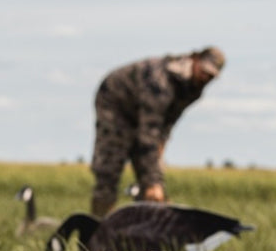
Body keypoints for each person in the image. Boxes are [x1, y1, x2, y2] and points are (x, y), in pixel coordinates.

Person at [89, 46, 226, 216]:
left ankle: (145, 222)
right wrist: (154, 181)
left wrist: (161, 145)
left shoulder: (195, 88)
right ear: (195, 60)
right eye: (204, 71)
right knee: (111, 165)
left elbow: (168, 120)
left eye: (211, 76)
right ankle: (98, 223)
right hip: (117, 103)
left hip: (149, 117)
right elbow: (148, 134)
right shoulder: (161, 80)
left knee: (151, 166)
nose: (206, 77)